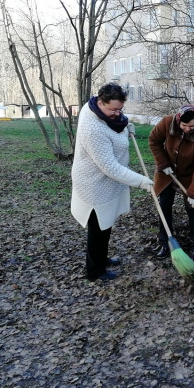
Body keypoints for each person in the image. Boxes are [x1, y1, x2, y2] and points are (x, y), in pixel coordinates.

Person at [71, 83, 154, 282]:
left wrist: (125, 125)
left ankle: (103, 258)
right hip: (94, 183)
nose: (117, 113)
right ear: (101, 103)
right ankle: (95, 271)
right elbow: (110, 168)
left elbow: (116, 124)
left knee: (105, 224)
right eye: (113, 109)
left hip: (108, 183)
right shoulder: (93, 129)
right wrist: (143, 182)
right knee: (98, 227)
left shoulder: (96, 109)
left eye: (120, 109)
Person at [148, 104, 194, 263]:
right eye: (184, 126)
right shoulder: (167, 123)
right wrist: (162, 163)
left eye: (191, 126)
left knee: (193, 209)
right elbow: (154, 140)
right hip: (167, 173)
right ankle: (164, 242)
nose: (188, 129)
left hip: (188, 176)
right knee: (164, 206)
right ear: (178, 120)